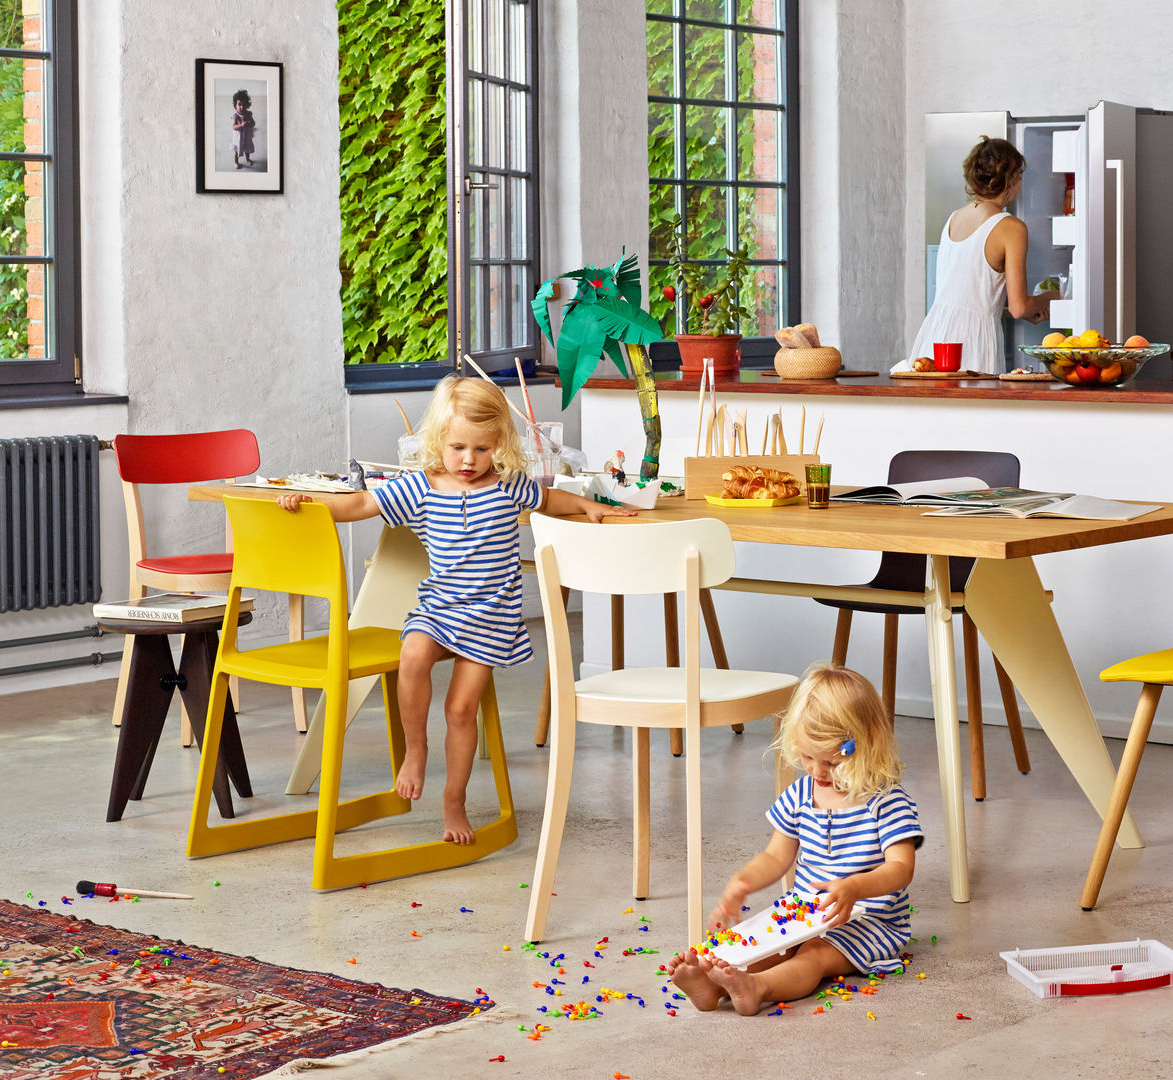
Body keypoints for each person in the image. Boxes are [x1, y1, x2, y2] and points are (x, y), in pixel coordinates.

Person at [274, 375, 635, 843]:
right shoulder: (419, 487)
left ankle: (454, 800)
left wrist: (587, 506)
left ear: (499, 444)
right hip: (439, 608)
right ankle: (416, 748)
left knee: (461, 710)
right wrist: (308, 504)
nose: (469, 460)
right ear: (439, 440)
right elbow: (361, 502)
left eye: (482, 449)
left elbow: (548, 499)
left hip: (492, 618)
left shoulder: (509, 487)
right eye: (458, 447)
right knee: (412, 655)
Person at [666, 663, 922, 1016]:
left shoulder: (886, 801)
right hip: (806, 915)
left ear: (866, 746)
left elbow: (901, 869)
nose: (817, 771)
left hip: (871, 922)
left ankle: (757, 988)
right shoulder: (801, 794)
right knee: (768, 948)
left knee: (813, 954)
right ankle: (712, 987)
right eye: (807, 757)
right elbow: (775, 857)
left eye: (831, 762)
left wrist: (854, 887)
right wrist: (743, 882)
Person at [894, 135, 1060, 375]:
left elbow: (970, 298)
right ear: (1011, 179)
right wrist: (1056, 296)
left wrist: (1017, 312)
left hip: (935, 338)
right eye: (1020, 176)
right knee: (975, 399)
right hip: (972, 343)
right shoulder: (1011, 227)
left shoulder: (954, 218)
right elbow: (1019, 307)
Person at [231, 90, 257, 169]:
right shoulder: (236, 116)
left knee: (247, 149)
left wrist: (250, 124)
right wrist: (241, 125)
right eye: (239, 104)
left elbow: (253, 123)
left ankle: (248, 159)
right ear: (235, 105)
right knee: (236, 151)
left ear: (247, 105)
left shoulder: (249, 114)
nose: (242, 107)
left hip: (247, 136)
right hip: (238, 137)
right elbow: (234, 127)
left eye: (244, 104)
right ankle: (236, 162)